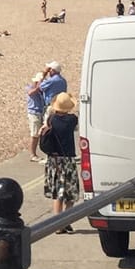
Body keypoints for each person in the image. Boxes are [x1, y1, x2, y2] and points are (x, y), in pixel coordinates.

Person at [41, 93, 80, 222]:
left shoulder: (51, 119)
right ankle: (65, 220)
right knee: (71, 194)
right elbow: (76, 125)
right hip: (67, 159)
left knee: (58, 193)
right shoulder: (72, 120)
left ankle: (57, 221)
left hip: (53, 159)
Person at [24, 69, 51, 163]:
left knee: (41, 133)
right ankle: (32, 154)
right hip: (34, 113)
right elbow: (30, 93)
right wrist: (39, 86)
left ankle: (36, 153)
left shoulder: (41, 91)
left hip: (40, 112)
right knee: (34, 134)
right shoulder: (29, 87)